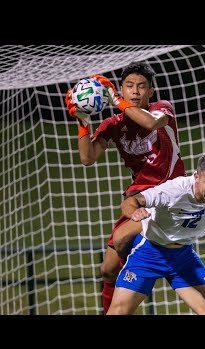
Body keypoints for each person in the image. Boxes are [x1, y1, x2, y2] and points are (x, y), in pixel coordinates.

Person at [65, 61, 187, 314]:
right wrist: (83, 120)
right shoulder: (113, 124)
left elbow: (151, 124)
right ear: (121, 88)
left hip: (171, 195)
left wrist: (117, 100)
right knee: (107, 269)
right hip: (140, 199)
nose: (136, 91)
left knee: (122, 240)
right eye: (129, 86)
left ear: (151, 92)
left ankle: (133, 278)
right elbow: (88, 158)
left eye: (142, 86)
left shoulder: (162, 109)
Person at [106, 152, 205, 315]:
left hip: (183, 256)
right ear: (196, 176)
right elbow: (130, 201)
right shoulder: (173, 191)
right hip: (150, 253)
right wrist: (134, 212)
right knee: (119, 311)